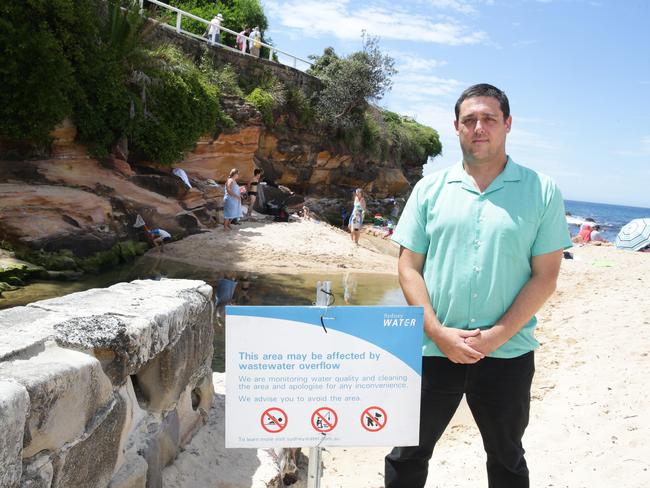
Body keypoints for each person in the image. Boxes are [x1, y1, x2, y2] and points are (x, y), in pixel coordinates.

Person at [384, 83, 572, 488]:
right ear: (456, 127)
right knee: (406, 455)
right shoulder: (430, 189)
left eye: (488, 118)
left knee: (506, 459)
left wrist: (494, 338)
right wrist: (436, 331)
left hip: (508, 355)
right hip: (432, 349)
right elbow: (409, 265)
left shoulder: (541, 190)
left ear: (507, 124)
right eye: (469, 120)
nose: (479, 127)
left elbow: (546, 276)